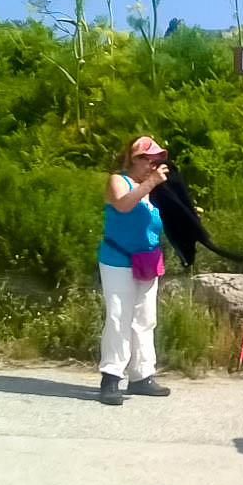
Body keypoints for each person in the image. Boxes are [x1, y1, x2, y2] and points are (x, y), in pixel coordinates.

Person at [98, 136, 172, 405]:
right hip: (117, 259)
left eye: (157, 159)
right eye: (149, 158)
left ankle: (141, 376)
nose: (154, 164)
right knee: (119, 317)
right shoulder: (118, 181)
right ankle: (111, 377)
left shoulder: (156, 191)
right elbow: (123, 204)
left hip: (147, 261)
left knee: (145, 318)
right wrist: (150, 183)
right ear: (134, 159)